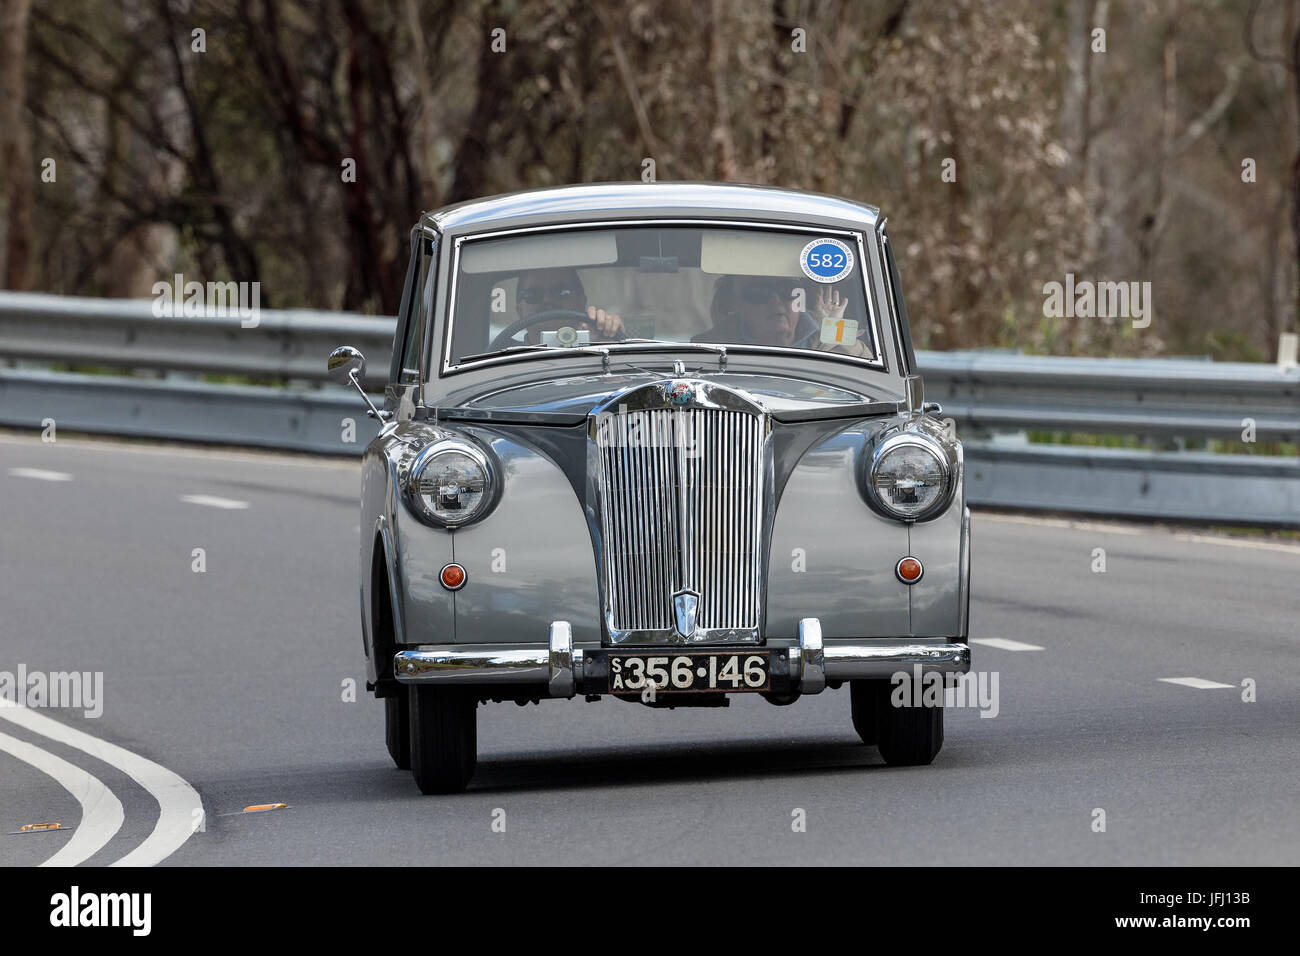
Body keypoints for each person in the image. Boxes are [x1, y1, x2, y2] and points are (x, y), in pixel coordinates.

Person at [693, 274, 872, 358]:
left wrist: (833, 328)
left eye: (787, 290)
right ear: (737, 306)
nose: (776, 301)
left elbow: (863, 371)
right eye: (759, 293)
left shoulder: (826, 335)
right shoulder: (708, 350)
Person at [514, 266, 624, 344]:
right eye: (533, 294)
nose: (547, 299)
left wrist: (609, 341)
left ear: (581, 302)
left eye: (562, 291)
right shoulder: (501, 360)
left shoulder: (599, 353)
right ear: (520, 310)